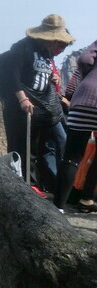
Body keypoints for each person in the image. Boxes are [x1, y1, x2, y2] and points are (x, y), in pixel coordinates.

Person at [0, 14, 74, 192]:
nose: (60, 47)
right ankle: (23, 185)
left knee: (33, 147)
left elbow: (38, 74)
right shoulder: (23, 47)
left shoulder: (46, 52)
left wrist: (51, 77)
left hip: (40, 105)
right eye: (59, 43)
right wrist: (22, 98)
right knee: (20, 145)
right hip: (20, 105)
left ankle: (32, 185)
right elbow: (12, 75)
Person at [54, 40, 97, 212]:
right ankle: (86, 198)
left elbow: (85, 59)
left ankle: (58, 208)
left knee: (72, 156)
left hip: (86, 97)